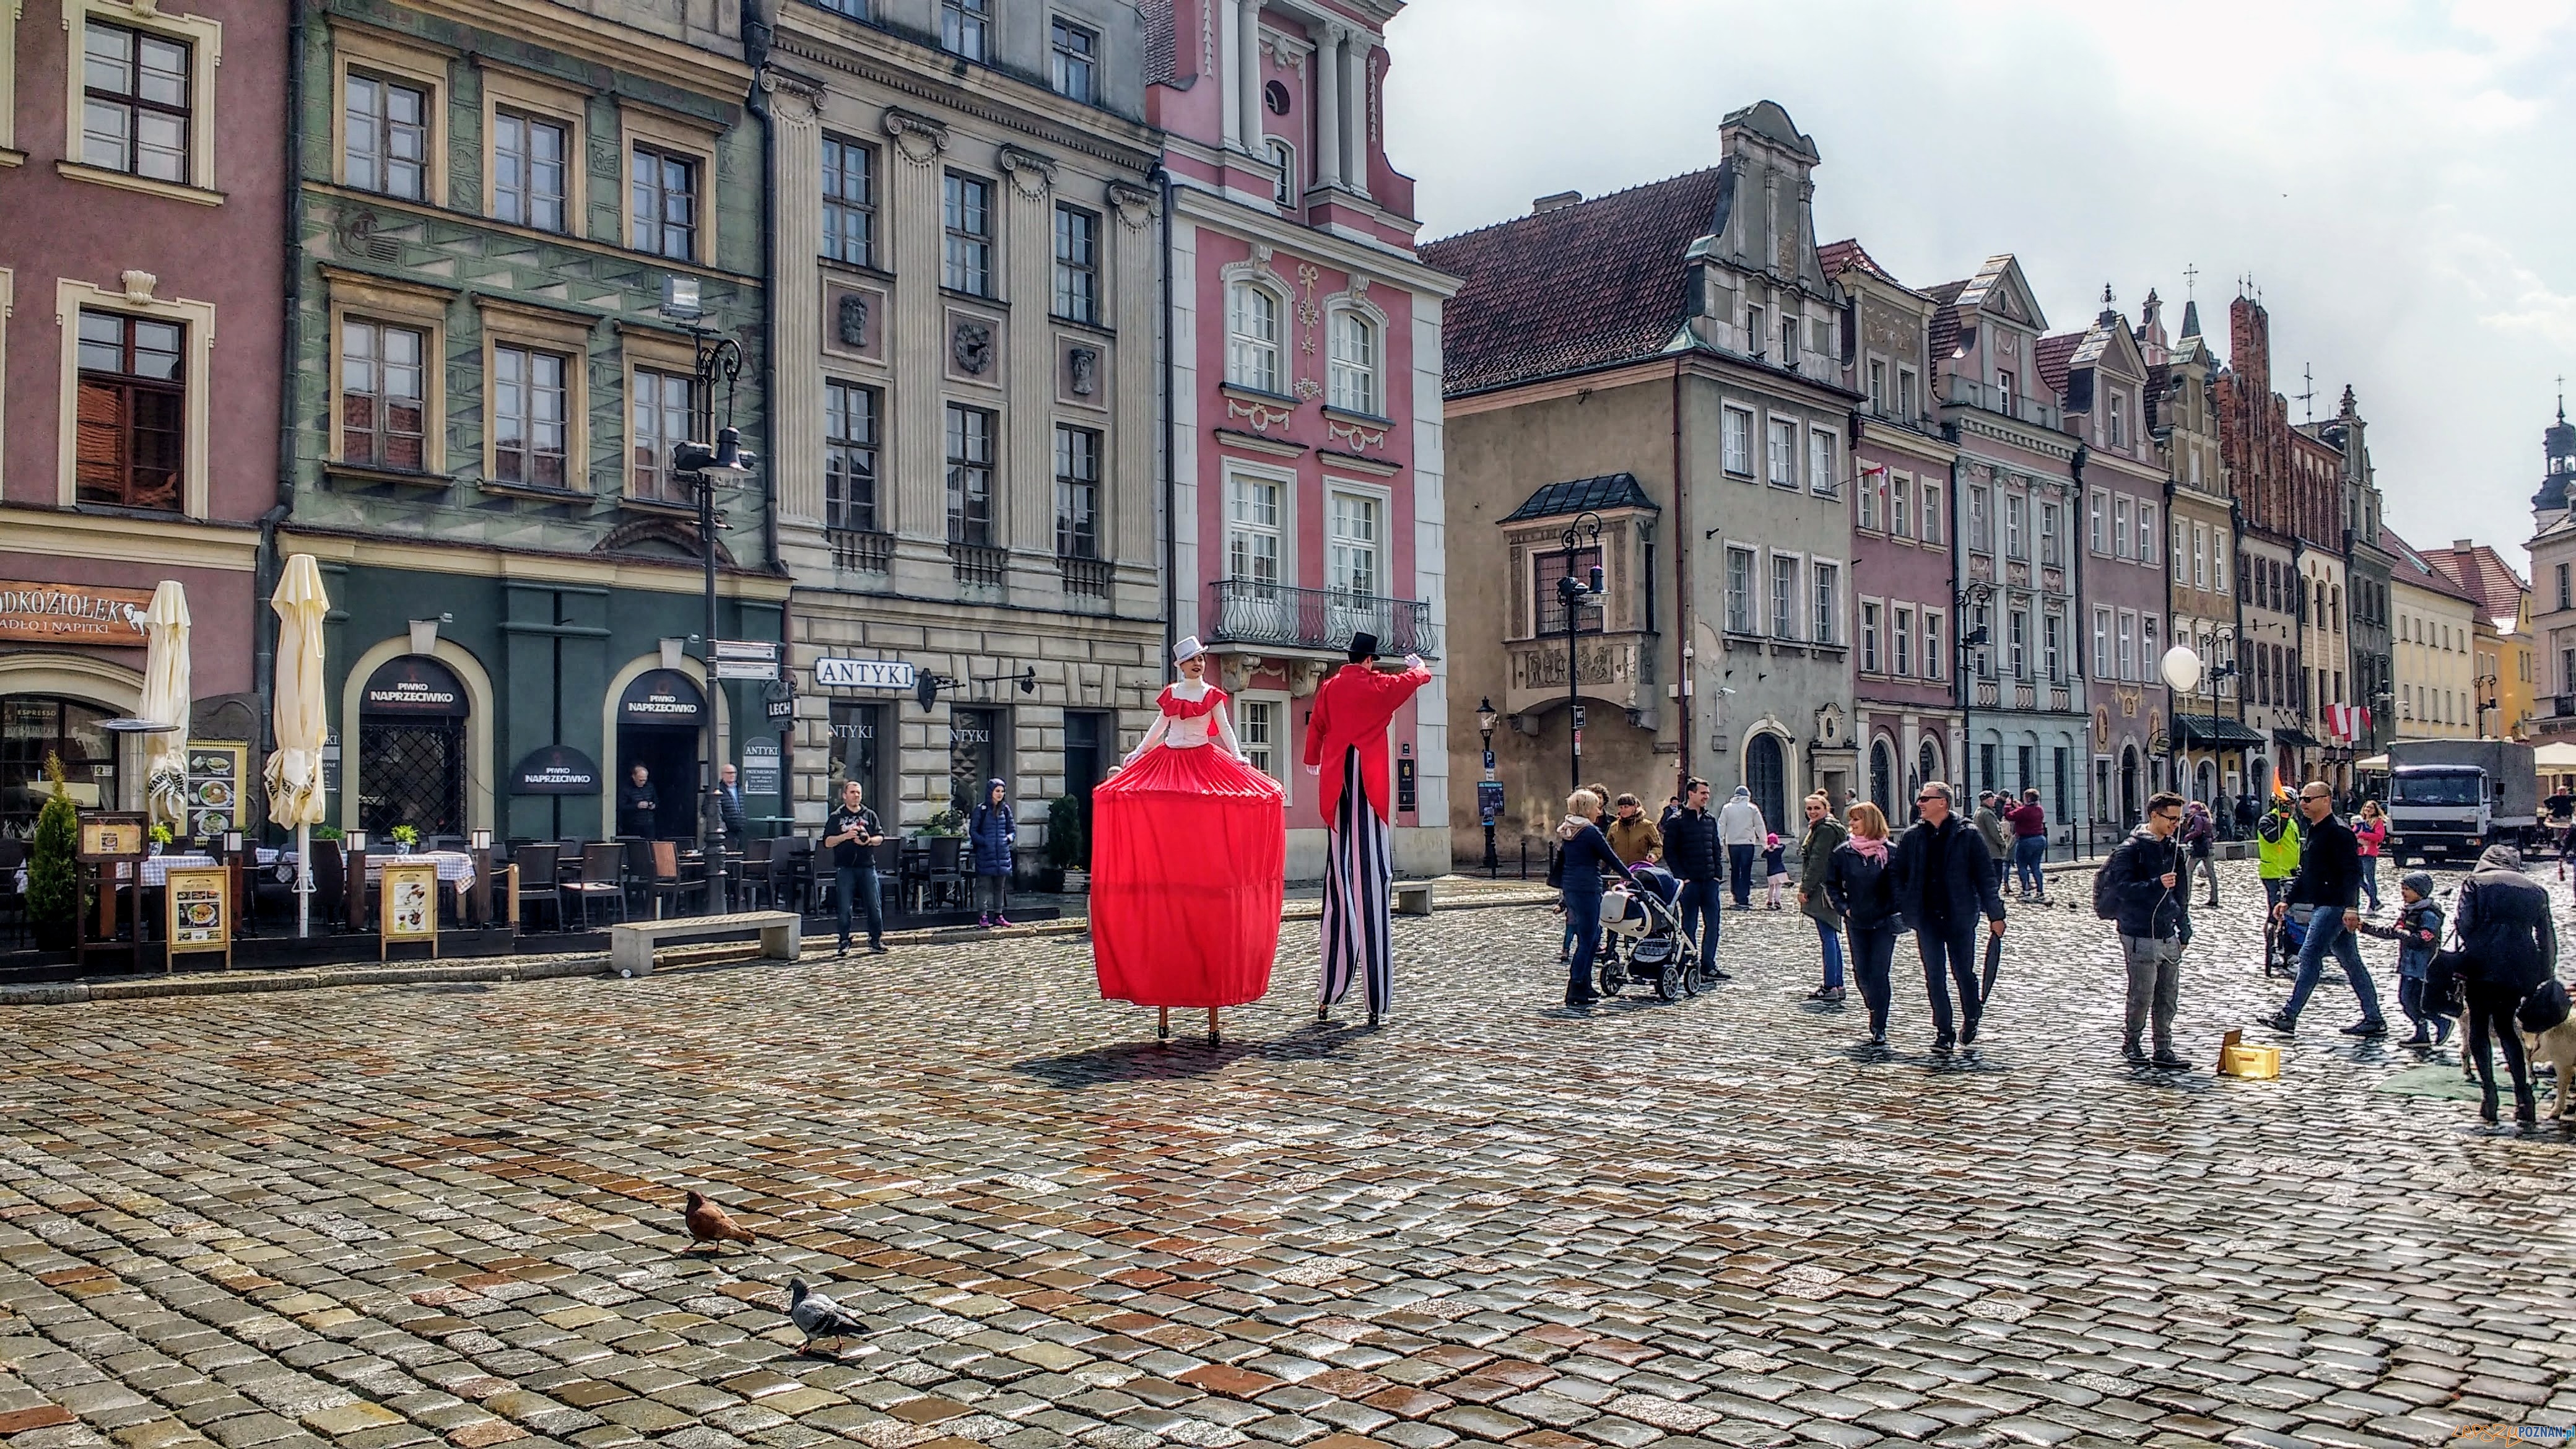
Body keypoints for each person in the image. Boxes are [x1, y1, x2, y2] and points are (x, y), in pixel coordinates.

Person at [1090, 636, 1286, 1040]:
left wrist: (1238, 757)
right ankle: (1166, 865)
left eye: (1201, 659)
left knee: (1213, 805)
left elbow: (1225, 729)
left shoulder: (1211, 695)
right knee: (1151, 804)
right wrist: (1139, 753)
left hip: (1202, 760)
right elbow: (1160, 727)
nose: (1198, 664)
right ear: (1180, 665)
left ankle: (1201, 862)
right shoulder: (1171, 694)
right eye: (1192, 660)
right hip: (1169, 761)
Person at [1303, 632, 1434, 1025]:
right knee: (1373, 883)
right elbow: (1411, 681)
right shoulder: (1377, 684)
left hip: (1335, 784)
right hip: (1368, 783)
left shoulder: (1329, 687)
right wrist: (1419, 669)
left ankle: (1330, 992)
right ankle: (1376, 1001)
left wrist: (1312, 758)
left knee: (1338, 886)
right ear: (1370, 660)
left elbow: (1317, 726)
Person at [2256, 781, 2387, 1038]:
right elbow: (2308, 873)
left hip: (2334, 906)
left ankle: (2289, 1015)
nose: (2302, 804)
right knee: (2352, 963)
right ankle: (2374, 1018)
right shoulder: (2314, 830)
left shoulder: (2339, 832)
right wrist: (2288, 900)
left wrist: (2352, 907)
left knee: (2309, 956)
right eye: (2302, 800)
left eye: (2308, 799)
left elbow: (2352, 872)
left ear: (2326, 800)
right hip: (2324, 904)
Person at [1891, 781, 2007, 1056]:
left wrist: (1996, 915)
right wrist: (1904, 902)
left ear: (1942, 802)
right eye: (1920, 799)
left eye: (1925, 799)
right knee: (1934, 976)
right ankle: (1944, 1031)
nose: (1919, 803)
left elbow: (1985, 878)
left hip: (1960, 915)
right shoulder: (1913, 835)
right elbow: (1897, 873)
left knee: (1963, 972)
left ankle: (1972, 1014)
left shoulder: (1968, 834)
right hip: (1926, 918)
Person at [2450, 843, 2556, 1125]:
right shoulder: (2534, 890)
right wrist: (2546, 974)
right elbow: (2546, 937)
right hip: (2519, 966)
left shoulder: (2475, 882)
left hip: (2481, 963)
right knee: (2508, 1027)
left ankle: (2490, 1096)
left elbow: (2464, 924)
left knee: (2479, 1026)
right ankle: (2524, 1099)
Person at [2097, 790, 2192, 1068]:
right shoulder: (2130, 849)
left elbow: (2181, 894)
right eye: (2171, 819)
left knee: (2168, 996)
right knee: (2142, 994)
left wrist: (2184, 926)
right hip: (2138, 931)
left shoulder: (2173, 849)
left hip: (2167, 931)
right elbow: (2122, 889)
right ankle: (2132, 1042)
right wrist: (2156, 884)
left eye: (2179, 820)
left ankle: (2163, 1048)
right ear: (2154, 816)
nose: (2175, 825)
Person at [1826, 802, 1900, 1047]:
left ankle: (1879, 1024)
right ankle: (1873, 1005)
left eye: (1857, 819)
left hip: (1884, 922)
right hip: (1856, 920)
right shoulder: (1843, 853)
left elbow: (1901, 885)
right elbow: (1832, 884)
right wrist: (1844, 908)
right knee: (1861, 973)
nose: (1852, 824)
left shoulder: (1891, 852)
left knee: (1879, 973)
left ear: (1870, 821)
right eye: (1851, 820)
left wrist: (1896, 908)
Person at [2356, 870, 2448, 1048]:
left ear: (2420, 891)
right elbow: (2393, 932)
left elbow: (2423, 940)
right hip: (2408, 966)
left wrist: (2403, 934)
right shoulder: (2408, 912)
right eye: (2402, 888)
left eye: (2407, 889)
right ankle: (2422, 1034)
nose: (2403, 893)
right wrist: (2366, 928)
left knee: (2415, 1001)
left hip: (2423, 968)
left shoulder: (2429, 915)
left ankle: (2439, 1022)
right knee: (2407, 1000)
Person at [1554, 790, 1625, 1009]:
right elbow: (1610, 856)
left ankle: (1585, 984)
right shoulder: (1589, 831)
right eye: (1596, 807)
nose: (1599, 811)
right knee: (1588, 939)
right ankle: (1576, 987)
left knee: (1592, 937)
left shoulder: (1569, 830)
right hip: (1587, 888)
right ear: (1587, 809)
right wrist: (1629, 876)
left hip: (1572, 888)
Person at [1662, 777, 1726, 979]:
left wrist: (1717, 875)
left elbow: (1715, 848)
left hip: (1710, 882)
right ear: (1691, 794)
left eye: (1707, 793)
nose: (1706, 797)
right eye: (1703, 793)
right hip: (1690, 883)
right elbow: (1670, 852)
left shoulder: (1709, 820)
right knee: (1689, 925)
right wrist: (1682, 877)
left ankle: (1708, 965)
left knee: (1713, 925)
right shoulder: (1676, 821)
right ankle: (1687, 963)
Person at [822, 777, 885, 955]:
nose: (856, 796)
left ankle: (876, 939)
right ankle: (844, 940)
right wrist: (846, 836)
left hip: (867, 866)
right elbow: (827, 842)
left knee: (874, 904)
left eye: (858, 793)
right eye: (852, 792)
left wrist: (869, 841)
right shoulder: (836, 817)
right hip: (845, 867)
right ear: (844, 796)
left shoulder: (870, 815)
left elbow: (880, 837)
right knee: (845, 907)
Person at [1796, 792, 1847, 1002]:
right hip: (1830, 886)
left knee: (1828, 936)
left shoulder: (1825, 830)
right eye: (1809, 808)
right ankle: (1837, 984)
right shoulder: (1824, 827)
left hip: (1823, 889)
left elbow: (1817, 861)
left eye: (1817, 808)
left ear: (1826, 809)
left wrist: (1805, 888)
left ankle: (1830, 985)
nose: (1812, 812)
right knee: (1831, 936)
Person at [2256, 796, 2303, 975]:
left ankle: (2291, 952)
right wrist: (2282, 819)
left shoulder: (2292, 821)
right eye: (2288, 804)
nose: (2292, 807)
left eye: (2292, 804)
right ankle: (2272, 950)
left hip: (2291, 873)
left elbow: (2294, 846)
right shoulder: (2267, 820)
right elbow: (2272, 838)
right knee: (2275, 912)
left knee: (2293, 914)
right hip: (2273, 874)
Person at [968, 778, 1015, 928]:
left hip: (1002, 855)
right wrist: (984, 842)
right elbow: (973, 831)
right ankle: (983, 916)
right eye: (997, 791)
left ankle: (998, 915)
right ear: (991, 792)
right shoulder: (981, 810)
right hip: (986, 855)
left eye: (1002, 791)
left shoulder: (1006, 810)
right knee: (983, 886)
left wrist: (1008, 839)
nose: (1000, 794)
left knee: (999, 887)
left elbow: (1012, 830)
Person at [1718, 786, 1764, 909]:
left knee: (1735, 869)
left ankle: (1735, 894)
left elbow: (1721, 825)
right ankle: (1744, 896)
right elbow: (1759, 826)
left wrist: (1720, 841)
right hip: (1748, 843)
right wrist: (1764, 843)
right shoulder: (1752, 808)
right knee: (1745, 870)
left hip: (1732, 843)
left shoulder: (1727, 808)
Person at [2004, 788, 2048, 901]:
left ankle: (2026, 891)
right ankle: (2040, 892)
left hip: (2026, 840)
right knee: (2036, 866)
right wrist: (2019, 807)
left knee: (2022, 866)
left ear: (2027, 798)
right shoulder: (2040, 809)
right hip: (2040, 839)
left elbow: (2009, 816)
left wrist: (2008, 805)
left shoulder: (2023, 811)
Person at [2179, 799, 2219, 907]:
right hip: (2209, 848)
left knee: (2188, 872)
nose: (2190, 811)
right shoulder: (2206, 817)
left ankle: (2186, 899)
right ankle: (2214, 898)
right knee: (2211, 874)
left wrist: (2187, 838)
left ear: (2196, 809)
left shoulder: (2197, 818)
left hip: (2198, 849)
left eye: (2191, 808)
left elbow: (2198, 831)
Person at [1606, 793, 1661, 867]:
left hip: (1639, 869)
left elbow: (1658, 846)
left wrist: (1653, 855)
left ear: (1634, 807)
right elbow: (1607, 848)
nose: (1623, 810)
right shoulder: (1614, 827)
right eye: (1621, 807)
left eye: (1626, 807)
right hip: (1619, 870)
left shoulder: (1647, 826)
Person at [2352, 800, 2388, 910]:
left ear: (2375, 810)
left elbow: (2379, 837)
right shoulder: (2359, 821)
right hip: (2358, 853)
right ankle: (2375, 901)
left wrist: (2363, 835)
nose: (2368, 809)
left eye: (2371, 808)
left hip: (2369, 854)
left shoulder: (2377, 822)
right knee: (2357, 879)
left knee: (2370, 879)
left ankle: (2372, 905)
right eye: (2367, 807)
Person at [1972, 793, 2011, 875]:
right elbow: (1995, 832)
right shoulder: (1988, 814)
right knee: (1996, 876)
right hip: (1993, 851)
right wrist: (2003, 844)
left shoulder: (1979, 811)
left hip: (1984, 850)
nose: (1994, 801)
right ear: (1988, 800)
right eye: (1993, 799)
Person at [618, 763, 659, 838]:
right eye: (641, 780)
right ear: (634, 777)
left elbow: (657, 801)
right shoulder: (626, 789)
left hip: (649, 824)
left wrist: (653, 805)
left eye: (645, 780)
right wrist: (637, 806)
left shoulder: (650, 787)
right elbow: (621, 807)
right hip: (632, 826)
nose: (643, 782)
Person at [715, 763, 749, 842]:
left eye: (734, 773)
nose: (733, 775)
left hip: (740, 828)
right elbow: (707, 809)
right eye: (729, 773)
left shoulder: (739, 789)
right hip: (726, 829)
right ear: (723, 775)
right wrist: (722, 822)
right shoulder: (718, 790)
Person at [1761, 833, 1789, 909]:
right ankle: (1777, 901)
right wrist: (1776, 846)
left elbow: (1763, 855)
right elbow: (1783, 846)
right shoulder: (1779, 850)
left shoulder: (1767, 852)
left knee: (1771, 887)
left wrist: (1768, 848)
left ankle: (1770, 901)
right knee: (1778, 887)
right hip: (1780, 871)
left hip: (1771, 872)